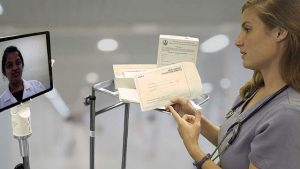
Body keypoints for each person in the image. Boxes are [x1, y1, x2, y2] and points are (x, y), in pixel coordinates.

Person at [166, 0, 300, 168]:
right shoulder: (253, 92)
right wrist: (194, 114)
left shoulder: (288, 114)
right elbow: (235, 145)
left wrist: (195, 149)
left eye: (248, 29)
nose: (238, 41)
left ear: (279, 33)